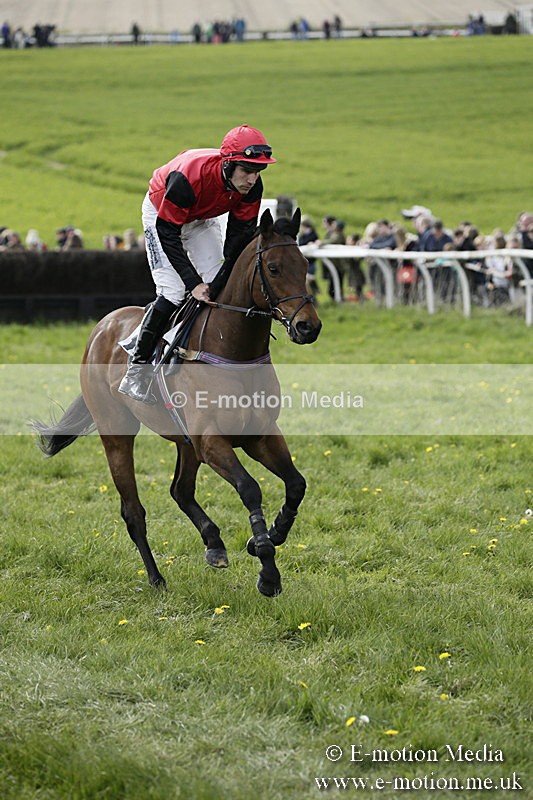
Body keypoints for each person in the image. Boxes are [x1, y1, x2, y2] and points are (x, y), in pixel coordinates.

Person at [118, 124, 276, 403]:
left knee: (220, 288)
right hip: (162, 215)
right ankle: (138, 368)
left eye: (258, 172)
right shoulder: (187, 178)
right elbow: (168, 233)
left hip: (201, 218)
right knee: (174, 292)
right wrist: (193, 284)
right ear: (228, 164)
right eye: (247, 170)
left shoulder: (251, 188)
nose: (252, 179)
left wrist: (215, 283)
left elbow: (237, 242)